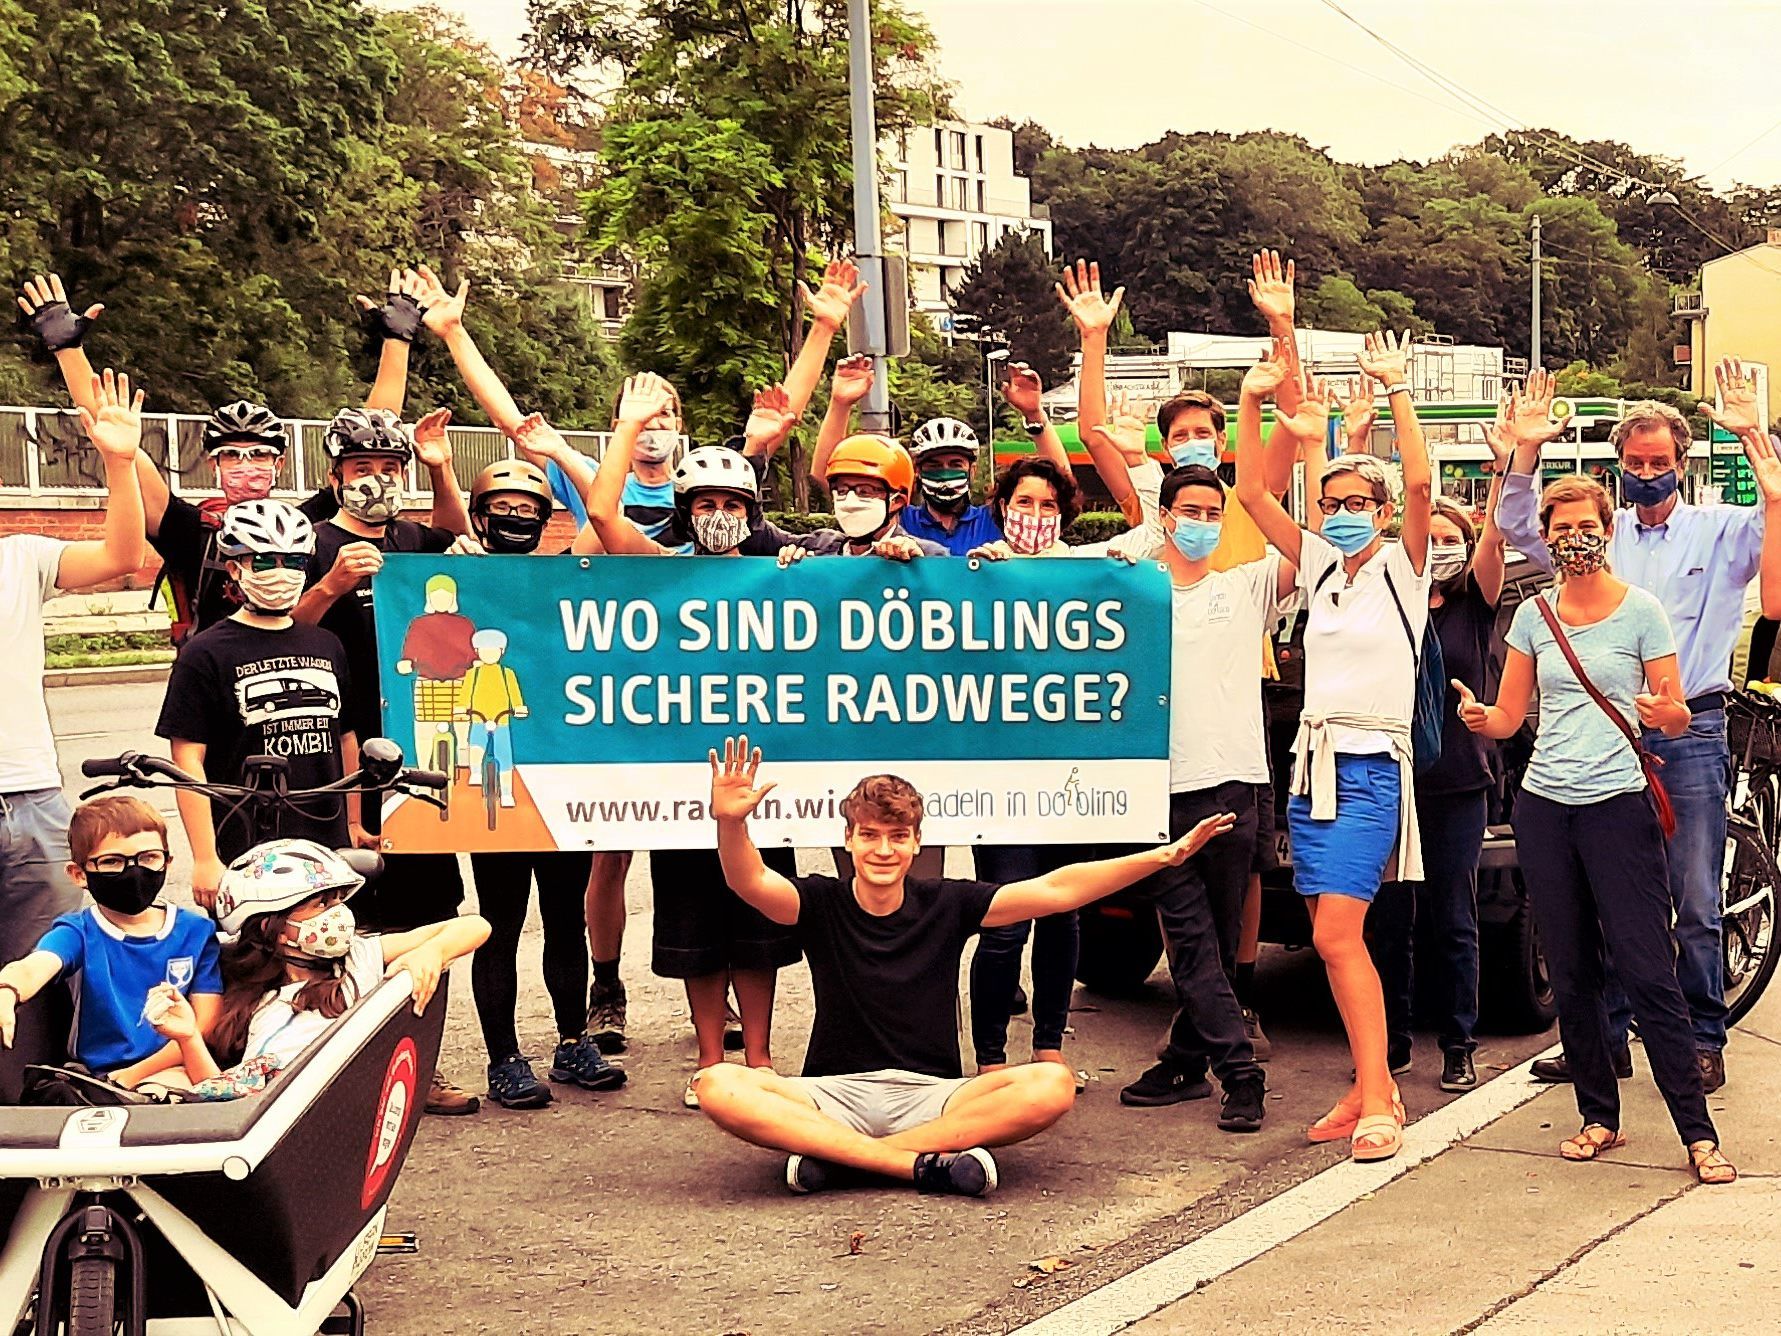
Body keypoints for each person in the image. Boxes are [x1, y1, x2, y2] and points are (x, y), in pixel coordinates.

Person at [698, 738, 1236, 1195]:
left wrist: (1160, 857)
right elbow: (750, 880)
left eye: (897, 837)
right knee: (717, 1083)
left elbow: (1055, 888)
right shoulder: (819, 901)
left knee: (1053, 1082)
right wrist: (730, 824)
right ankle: (917, 1165)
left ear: (916, 844)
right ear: (848, 841)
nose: (883, 850)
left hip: (937, 1098)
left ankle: (844, 1159)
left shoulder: (947, 902)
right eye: (869, 836)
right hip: (829, 1094)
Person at [1492, 358, 1781, 1095]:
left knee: (1691, 896)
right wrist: (1523, 452)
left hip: (1689, 732)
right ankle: (1607, 1039)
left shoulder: (1719, 531)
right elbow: (1518, 526)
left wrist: (1754, 438)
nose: (1646, 472)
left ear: (1680, 464)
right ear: (1616, 464)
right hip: (1603, 735)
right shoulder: (1597, 535)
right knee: (1607, 892)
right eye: (1634, 461)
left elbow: (1775, 540)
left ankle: (1698, 1038)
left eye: (1658, 462)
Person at [1456, 475, 1735, 1185]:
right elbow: (1511, 714)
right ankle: (1597, 1116)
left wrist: (1662, 714)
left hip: (1617, 803)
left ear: (1604, 531)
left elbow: (1675, 713)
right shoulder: (1532, 617)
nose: (1572, 539)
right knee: (1572, 970)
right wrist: (1479, 718)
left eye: (1585, 527)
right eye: (1560, 529)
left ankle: (1696, 1135)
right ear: (1545, 537)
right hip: (1545, 807)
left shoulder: (1641, 612)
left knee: (1647, 968)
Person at [1236, 331, 1433, 1163]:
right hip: (1311, 769)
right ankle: (1363, 1083)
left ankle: (1383, 1095)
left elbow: (1421, 479)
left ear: (1382, 514)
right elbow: (1250, 492)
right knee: (1327, 933)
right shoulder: (1319, 566)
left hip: (1370, 767)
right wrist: (1251, 401)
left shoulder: (1404, 569)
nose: (1345, 513)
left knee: (1333, 938)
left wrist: (1394, 389)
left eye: (1360, 503)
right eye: (1334, 503)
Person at [580, 377, 804, 1105]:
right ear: (683, 513)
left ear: (752, 514)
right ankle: (712, 1060)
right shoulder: (656, 572)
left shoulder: (788, 573)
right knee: (696, 929)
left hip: (766, 778)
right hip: (679, 780)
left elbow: (869, 561)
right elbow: (600, 510)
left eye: (731, 504)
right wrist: (627, 425)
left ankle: (762, 1061)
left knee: (759, 921)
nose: (718, 516)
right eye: (704, 505)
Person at [19, 270, 436, 603]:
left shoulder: (304, 523)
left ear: (279, 465)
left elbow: (371, 432)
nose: (246, 466)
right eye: (232, 457)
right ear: (213, 465)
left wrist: (396, 342)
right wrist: (68, 352)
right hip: (212, 683)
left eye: (258, 455)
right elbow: (115, 440)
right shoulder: (192, 530)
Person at [292, 406, 478, 1115]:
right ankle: (335, 1073)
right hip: (338, 757)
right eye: (362, 470)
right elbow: (285, 634)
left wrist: (437, 465)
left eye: (388, 469)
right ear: (335, 475)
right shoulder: (313, 544)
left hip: (418, 754)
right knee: (341, 919)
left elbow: (457, 541)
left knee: (428, 914)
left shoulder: (411, 537)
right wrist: (333, 582)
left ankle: (420, 1064)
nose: (377, 482)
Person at [435, 456, 624, 1108]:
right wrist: (453, 568)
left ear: (546, 520)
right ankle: (503, 1057)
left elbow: (607, 520)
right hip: (493, 782)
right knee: (501, 923)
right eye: (501, 510)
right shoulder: (456, 577)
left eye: (527, 510)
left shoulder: (565, 580)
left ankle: (573, 1042)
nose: (514, 519)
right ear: (480, 517)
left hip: (563, 779)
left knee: (565, 919)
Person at [1369, 401, 1513, 1092]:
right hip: (1389, 781)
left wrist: (1505, 468)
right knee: (1387, 921)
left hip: (1457, 783)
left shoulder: (1473, 604)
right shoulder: (1387, 598)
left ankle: (1458, 1042)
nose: (1445, 545)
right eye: (1436, 537)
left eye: (1456, 536)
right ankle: (1391, 1040)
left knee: (1452, 918)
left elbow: (1491, 541)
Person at [0, 369, 146, 975]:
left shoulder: (19, 556)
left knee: (49, 974)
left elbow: (123, 555)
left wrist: (120, 463)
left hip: (30, 799)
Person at [155, 501, 367, 903]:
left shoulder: (326, 643)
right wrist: (204, 857)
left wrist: (353, 822)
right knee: (252, 961)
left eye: (294, 562)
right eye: (265, 561)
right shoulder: (204, 653)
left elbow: (346, 738)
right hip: (245, 847)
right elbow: (187, 763)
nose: (282, 573)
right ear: (235, 568)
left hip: (327, 843)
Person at [145, 840, 489, 1085]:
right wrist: (188, 1038)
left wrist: (431, 951)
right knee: (166, 1081)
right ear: (270, 926)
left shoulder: (358, 958)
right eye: (321, 905)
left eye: (339, 901)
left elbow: (475, 925)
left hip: (331, 1105)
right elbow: (220, 1099)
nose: (339, 914)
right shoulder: (241, 994)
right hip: (258, 1118)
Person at [0, 797, 221, 1089]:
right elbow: (34, 967)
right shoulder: (78, 931)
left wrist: (134, 1076)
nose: (133, 871)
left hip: (178, 1064)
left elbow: (204, 1025)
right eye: (112, 862)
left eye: (149, 857)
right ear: (79, 874)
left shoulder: (197, 932)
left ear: (167, 861)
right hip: (96, 1075)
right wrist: (7, 989)